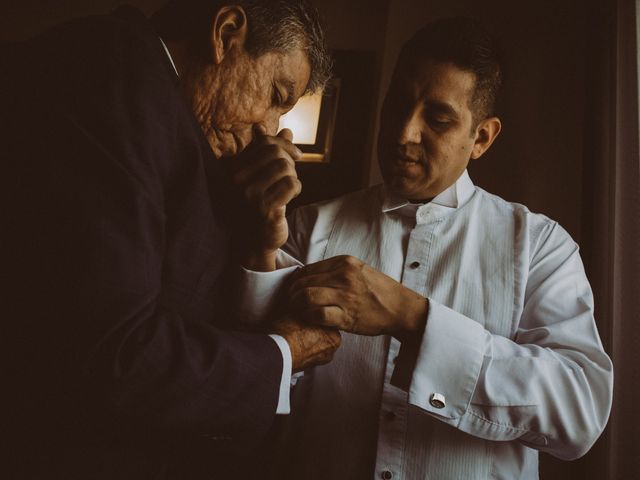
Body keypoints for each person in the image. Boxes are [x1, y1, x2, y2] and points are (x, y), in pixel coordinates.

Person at [239, 17, 614, 479]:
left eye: (437, 119)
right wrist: (260, 251)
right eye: (397, 106)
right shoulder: (307, 224)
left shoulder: (540, 246)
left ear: (482, 138)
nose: (403, 134)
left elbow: (579, 415)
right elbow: (252, 383)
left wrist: (413, 318)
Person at [0, 1, 340, 478]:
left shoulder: (158, 103)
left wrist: (255, 223)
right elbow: (116, 354)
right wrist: (284, 353)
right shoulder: (119, 77)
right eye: (275, 93)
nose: (269, 129)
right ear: (225, 34)